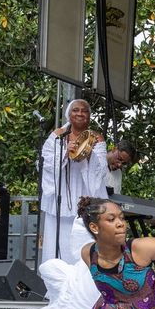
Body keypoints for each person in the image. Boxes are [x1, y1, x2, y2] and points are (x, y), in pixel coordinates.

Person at [40, 99, 108, 263]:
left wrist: (89, 154)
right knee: (57, 245)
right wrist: (65, 152)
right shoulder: (57, 135)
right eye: (75, 110)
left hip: (85, 197)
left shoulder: (97, 138)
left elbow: (101, 171)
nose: (80, 113)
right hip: (60, 199)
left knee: (83, 242)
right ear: (69, 115)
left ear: (89, 116)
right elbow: (45, 162)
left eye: (84, 111)